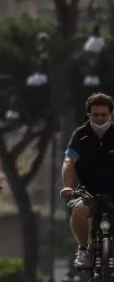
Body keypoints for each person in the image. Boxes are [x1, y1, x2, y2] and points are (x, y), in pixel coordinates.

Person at [61, 92, 114, 269]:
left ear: (110, 115)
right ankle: (83, 248)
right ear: (89, 115)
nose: (99, 119)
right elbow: (69, 161)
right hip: (87, 190)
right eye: (95, 115)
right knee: (78, 210)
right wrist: (67, 186)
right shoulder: (80, 135)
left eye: (103, 115)